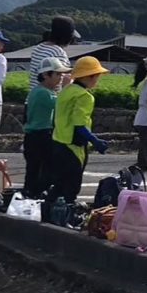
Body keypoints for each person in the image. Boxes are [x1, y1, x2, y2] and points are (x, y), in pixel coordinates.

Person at [49, 56, 110, 205]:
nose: (98, 80)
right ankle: (66, 215)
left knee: (58, 185)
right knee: (71, 187)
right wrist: (95, 141)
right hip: (73, 146)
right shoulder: (84, 96)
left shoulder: (66, 90)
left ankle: (48, 212)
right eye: (97, 76)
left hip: (58, 142)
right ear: (90, 76)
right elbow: (79, 125)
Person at [22, 56, 70, 198]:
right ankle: (34, 196)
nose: (61, 78)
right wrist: (66, 89)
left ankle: (31, 195)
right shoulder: (43, 93)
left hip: (36, 135)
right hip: (40, 135)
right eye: (57, 74)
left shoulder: (40, 91)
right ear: (45, 75)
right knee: (42, 170)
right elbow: (61, 105)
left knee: (35, 170)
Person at [29, 16, 79, 83]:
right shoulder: (58, 52)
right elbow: (63, 80)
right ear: (68, 37)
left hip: (35, 88)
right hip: (51, 89)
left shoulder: (38, 48)